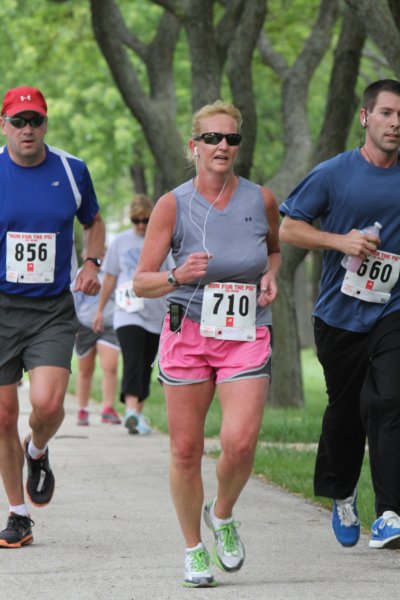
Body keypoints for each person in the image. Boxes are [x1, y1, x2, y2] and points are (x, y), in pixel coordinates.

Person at [133, 100, 281, 587]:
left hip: (245, 331)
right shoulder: (172, 205)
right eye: (212, 138)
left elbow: (273, 250)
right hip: (189, 332)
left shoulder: (261, 199)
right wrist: (176, 275)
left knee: (239, 443)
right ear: (193, 146)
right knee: (185, 450)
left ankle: (222, 513)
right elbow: (142, 282)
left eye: (231, 139)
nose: (222, 146)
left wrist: (271, 275)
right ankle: (193, 549)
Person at [279, 79, 400, 551]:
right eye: (387, 112)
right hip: (339, 314)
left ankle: (390, 513)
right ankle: (342, 493)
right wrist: (340, 241)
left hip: (392, 309)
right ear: (365, 117)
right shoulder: (334, 173)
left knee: (388, 401)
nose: (395, 123)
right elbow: (290, 228)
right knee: (346, 411)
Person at [0, 86, 105, 548]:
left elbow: (93, 221)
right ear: (4, 125)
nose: (28, 129)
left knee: (46, 404)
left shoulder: (71, 169)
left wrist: (91, 263)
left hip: (51, 309)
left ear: (46, 123)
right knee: (3, 416)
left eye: (35, 120)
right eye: (18, 121)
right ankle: (18, 515)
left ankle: (37, 449)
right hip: (1, 306)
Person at [93, 195, 173, 435]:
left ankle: (136, 414)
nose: (140, 225)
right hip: (127, 312)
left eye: (145, 220)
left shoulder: (163, 240)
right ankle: (129, 410)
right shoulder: (120, 241)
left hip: (156, 312)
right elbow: (110, 278)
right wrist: (100, 310)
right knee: (133, 358)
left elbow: (173, 276)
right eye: (135, 221)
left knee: (147, 363)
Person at [71, 252, 121, 426]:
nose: (101, 259)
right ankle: (82, 409)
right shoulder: (79, 274)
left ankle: (108, 408)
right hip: (84, 326)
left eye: (103, 254)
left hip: (109, 325)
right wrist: (74, 326)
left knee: (111, 366)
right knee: (85, 370)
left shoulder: (111, 274)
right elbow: (73, 302)